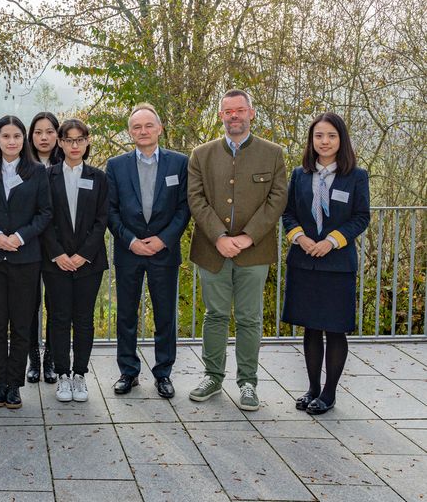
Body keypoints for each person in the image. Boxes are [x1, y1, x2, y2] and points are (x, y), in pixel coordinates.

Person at [187, 89, 288, 411]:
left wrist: (247, 237)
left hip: (254, 252)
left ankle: (248, 383)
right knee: (214, 316)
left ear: (251, 113)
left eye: (240, 110)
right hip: (211, 249)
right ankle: (212, 377)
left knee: (249, 318)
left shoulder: (272, 154)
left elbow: (277, 200)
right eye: (228, 111)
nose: (234, 116)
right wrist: (218, 236)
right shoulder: (201, 155)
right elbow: (196, 199)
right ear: (220, 116)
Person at [282, 112, 370, 415]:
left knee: (334, 329)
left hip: (337, 265)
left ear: (341, 140)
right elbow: (288, 213)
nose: (324, 141)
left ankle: (329, 393)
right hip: (304, 262)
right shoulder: (299, 175)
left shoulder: (356, 176)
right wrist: (300, 238)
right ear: (311, 140)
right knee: (310, 328)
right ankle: (312, 388)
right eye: (319, 136)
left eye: (331, 135)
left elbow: (361, 217)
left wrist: (331, 240)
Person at [106, 104, 190, 398]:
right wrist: (130, 240)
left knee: (165, 315)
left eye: (148, 126)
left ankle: (163, 373)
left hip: (163, 252)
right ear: (130, 132)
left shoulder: (180, 163)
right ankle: (128, 372)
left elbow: (184, 208)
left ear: (159, 129)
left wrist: (163, 239)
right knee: (126, 315)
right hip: (129, 251)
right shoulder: (116, 166)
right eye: (136, 127)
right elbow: (111, 211)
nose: (143, 131)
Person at [0, 115, 53, 409]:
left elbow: (45, 213)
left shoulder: (37, 172)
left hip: (26, 258)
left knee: (21, 324)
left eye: (17, 136)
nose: (11, 141)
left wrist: (19, 236)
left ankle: (15, 384)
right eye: (5, 136)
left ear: (24, 140)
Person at [41, 119, 109, 403]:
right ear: (60, 142)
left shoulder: (98, 177)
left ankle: (79, 374)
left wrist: (82, 255)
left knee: (83, 319)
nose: (74, 145)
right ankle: (62, 375)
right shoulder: (47, 176)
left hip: (88, 263)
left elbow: (101, 219)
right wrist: (58, 254)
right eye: (68, 140)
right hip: (55, 262)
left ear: (87, 141)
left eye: (79, 139)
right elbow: (43, 217)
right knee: (58, 318)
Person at [27, 111, 62, 383]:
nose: (44, 137)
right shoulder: (21, 165)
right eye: (38, 132)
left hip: (58, 247)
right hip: (28, 244)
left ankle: (51, 358)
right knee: (29, 304)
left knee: (55, 304)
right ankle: (32, 360)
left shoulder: (68, 163)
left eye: (50, 131)